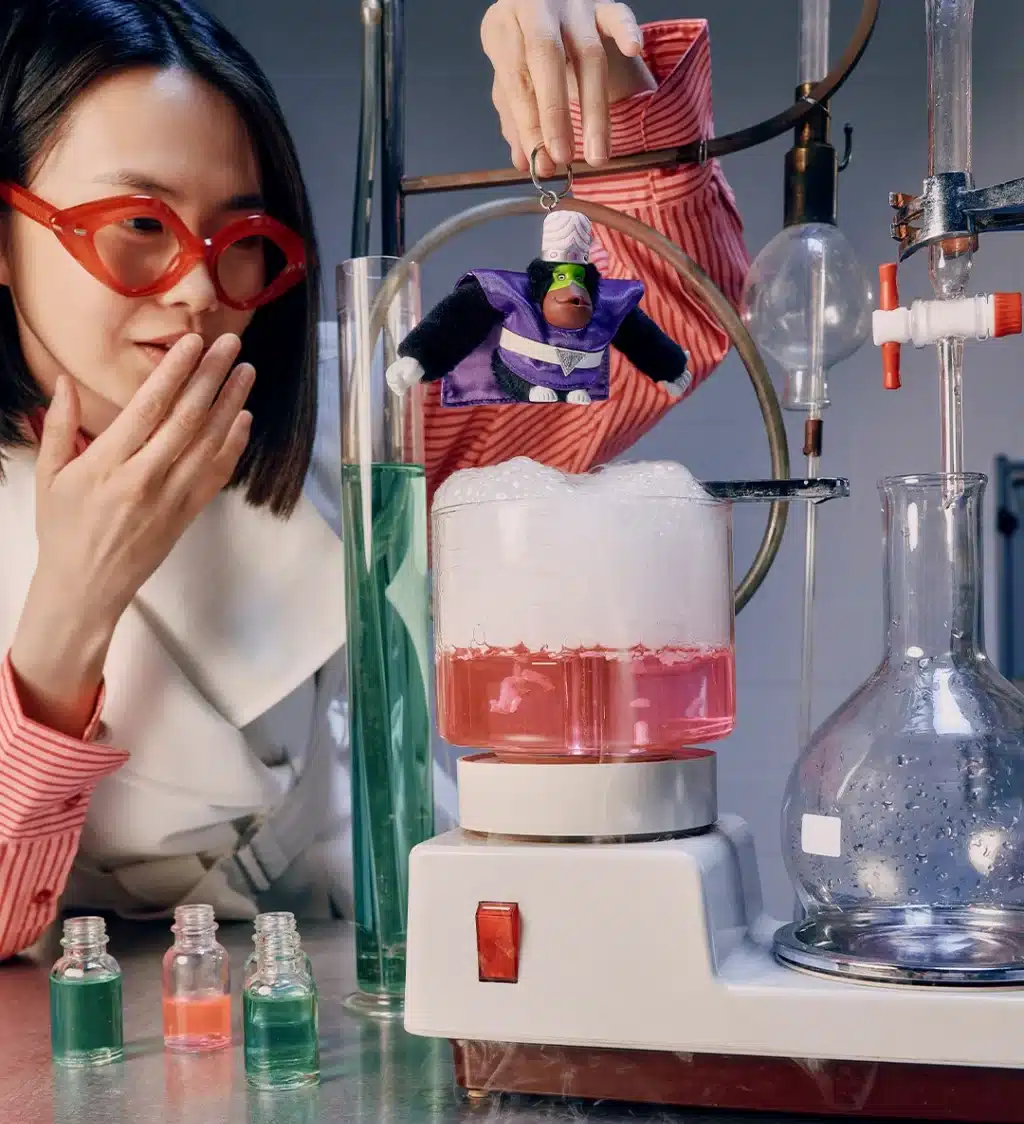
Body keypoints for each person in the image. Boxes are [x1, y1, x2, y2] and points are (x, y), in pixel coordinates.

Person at [0, 0, 747, 960]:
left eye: (242, 239)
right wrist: (72, 603)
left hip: (370, 994)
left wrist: (611, 102)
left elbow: (667, 325)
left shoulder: (366, 410)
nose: (196, 290)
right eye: (137, 223)